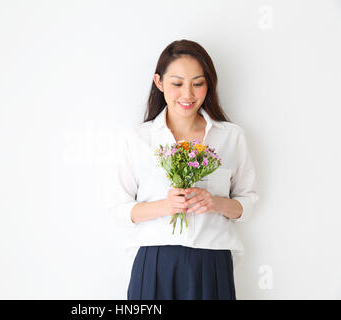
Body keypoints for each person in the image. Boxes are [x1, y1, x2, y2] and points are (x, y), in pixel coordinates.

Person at [108, 39, 259, 300]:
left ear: (208, 84)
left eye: (198, 83)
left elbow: (248, 204)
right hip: (154, 262)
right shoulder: (137, 138)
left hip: (211, 262)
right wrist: (165, 207)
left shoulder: (231, 137)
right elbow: (119, 209)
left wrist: (216, 203)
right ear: (159, 82)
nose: (188, 94)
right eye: (177, 83)